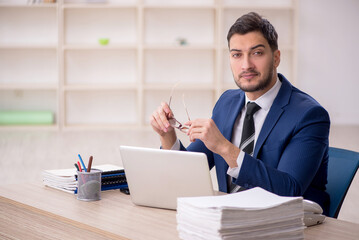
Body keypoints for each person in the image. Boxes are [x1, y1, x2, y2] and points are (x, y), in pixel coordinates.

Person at [150, 12, 330, 215]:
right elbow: (186, 174)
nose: (246, 65)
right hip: (230, 221)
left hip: (286, 225)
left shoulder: (310, 115)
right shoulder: (227, 102)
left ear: (276, 58)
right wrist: (167, 135)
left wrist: (225, 148)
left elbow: (289, 191)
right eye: (237, 55)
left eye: (257, 53)